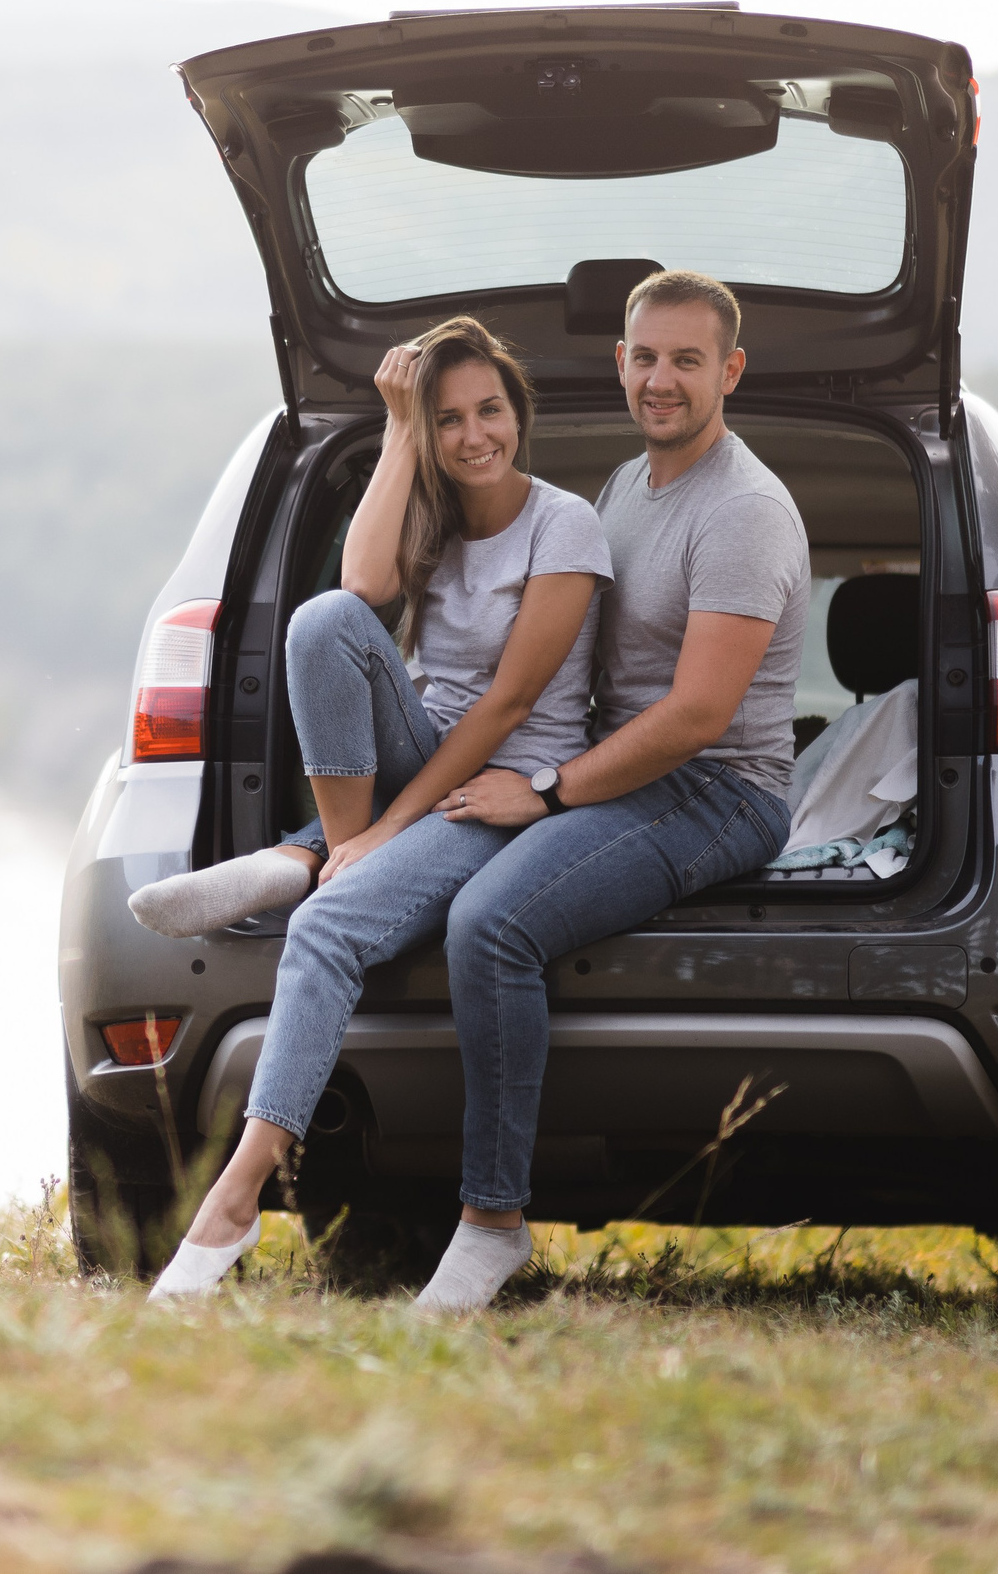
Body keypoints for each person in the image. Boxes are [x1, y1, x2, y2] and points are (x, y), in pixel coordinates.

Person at [128, 315, 612, 1300]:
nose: (473, 437)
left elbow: (509, 705)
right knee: (326, 623)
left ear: (518, 412)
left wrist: (391, 834)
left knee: (330, 924)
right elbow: (359, 588)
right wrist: (394, 429)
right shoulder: (432, 511)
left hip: (502, 788)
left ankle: (234, 1198)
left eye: (489, 412)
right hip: (415, 762)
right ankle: (326, 846)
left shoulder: (566, 525)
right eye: (447, 421)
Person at [408, 269, 810, 1313]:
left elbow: (695, 718)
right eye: (644, 357)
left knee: (489, 926)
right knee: (428, 855)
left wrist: (543, 792)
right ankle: (304, 862)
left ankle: (492, 1224)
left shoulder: (746, 512)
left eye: (686, 359)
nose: (661, 379)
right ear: (617, 364)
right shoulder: (626, 486)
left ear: (729, 370)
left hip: (716, 790)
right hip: (609, 766)